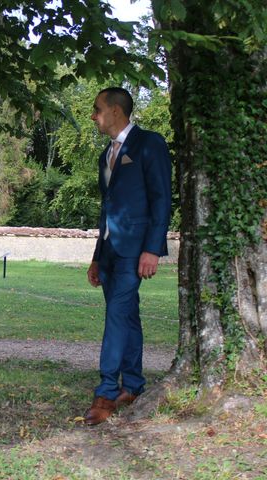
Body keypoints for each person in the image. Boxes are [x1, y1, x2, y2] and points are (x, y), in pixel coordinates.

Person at [84, 87, 171, 425]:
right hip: (109, 252)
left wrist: (152, 248)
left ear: (116, 111)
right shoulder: (105, 154)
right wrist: (96, 256)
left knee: (117, 317)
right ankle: (132, 385)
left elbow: (162, 199)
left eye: (97, 109)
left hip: (135, 251)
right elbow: (107, 210)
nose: (94, 116)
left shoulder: (150, 143)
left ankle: (105, 394)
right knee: (128, 318)